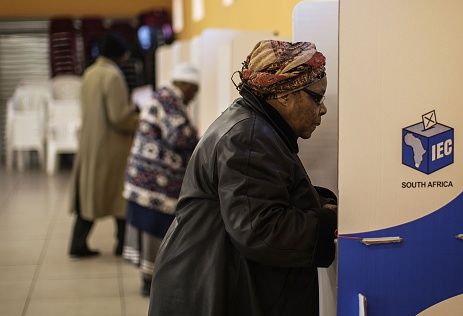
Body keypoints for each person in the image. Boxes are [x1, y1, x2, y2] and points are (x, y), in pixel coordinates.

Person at [148, 40, 337, 316]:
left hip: (205, 279)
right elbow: (260, 229)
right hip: (210, 290)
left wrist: (317, 202)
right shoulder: (249, 137)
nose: (322, 110)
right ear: (284, 94)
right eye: (316, 98)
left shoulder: (251, 125)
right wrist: (331, 223)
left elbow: (258, 195)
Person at [122, 63, 200, 296]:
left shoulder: (161, 96)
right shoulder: (170, 101)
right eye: (194, 91)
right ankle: (152, 282)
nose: (194, 97)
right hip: (155, 182)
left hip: (143, 177)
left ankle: (151, 279)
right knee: (155, 231)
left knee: (151, 234)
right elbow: (179, 136)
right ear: (186, 85)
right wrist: (201, 139)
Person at [69, 32, 139, 258]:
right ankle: (122, 245)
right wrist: (140, 119)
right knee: (119, 196)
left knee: (88, 194)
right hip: (111, 146)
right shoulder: (113, 76)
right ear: (119, 54)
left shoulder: (89, 73)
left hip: (90, 141)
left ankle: (77, 243)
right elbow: (119, 117)